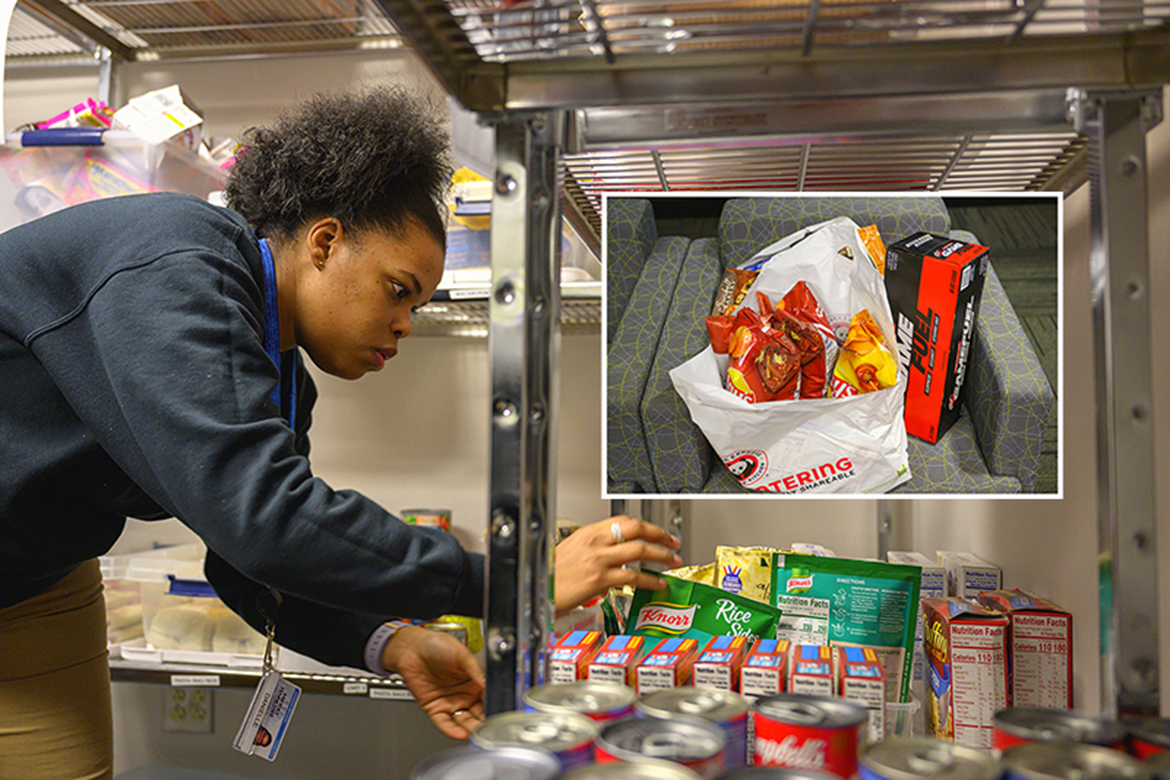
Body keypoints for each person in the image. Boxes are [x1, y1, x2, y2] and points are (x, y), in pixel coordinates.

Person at [0, 85, 682, 780]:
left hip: (37, 585)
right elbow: (264, 519)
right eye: (398, 289)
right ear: (326, 242)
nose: (406, 325)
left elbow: (250, 560)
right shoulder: (175, 263)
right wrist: (515, 581)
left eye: (418, 304)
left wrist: (388, 641)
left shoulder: (282, 374)